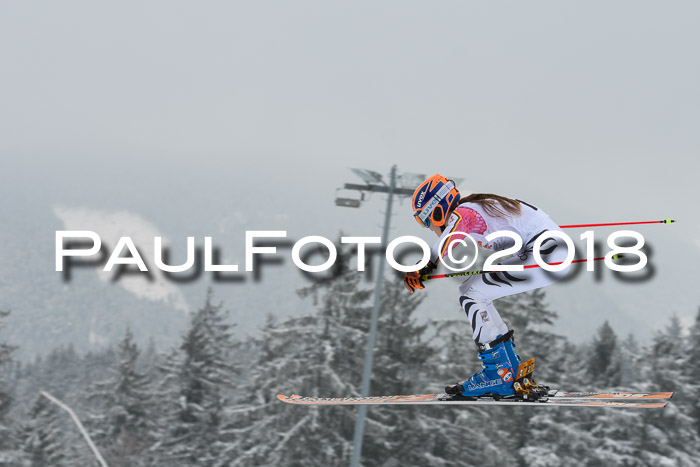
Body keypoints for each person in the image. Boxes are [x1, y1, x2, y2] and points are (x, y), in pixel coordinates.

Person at [404, 174, 571, 398]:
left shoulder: (464, 212)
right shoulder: (475, 208)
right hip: (548, 253)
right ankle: (509, 371)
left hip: (545, 255)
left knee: (471, 294)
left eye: (425, 220)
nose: (427, 227)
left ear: (437, 210)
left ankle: (498, 374)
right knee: (471, 290)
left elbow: (451, 236)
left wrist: (426, 265)